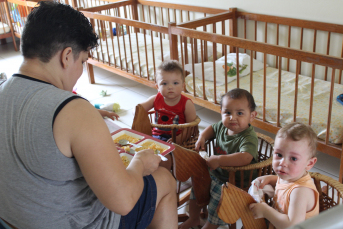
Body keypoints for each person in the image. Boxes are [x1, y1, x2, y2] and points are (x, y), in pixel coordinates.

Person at [0, 2, 177, 229]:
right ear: (66, 56)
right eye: (83, 61)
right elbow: (123, 201)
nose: (81, 71)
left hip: (13, 220)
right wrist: (140, 163)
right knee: (164, 180)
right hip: (77, 223)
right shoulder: (73, 109)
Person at [179, 88, 259, 229]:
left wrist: (220, 160)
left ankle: (211, 225)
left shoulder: (248, 137)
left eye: (239, 113)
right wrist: (202, 137)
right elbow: (212, 128)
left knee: (218, 203)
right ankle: (193, 218)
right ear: (221, 112)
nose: (232, 118)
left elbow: (245, 157)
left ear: (252, 116)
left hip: (234, 181)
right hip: (216, 172)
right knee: (196, 189)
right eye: (227, 112)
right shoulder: (223, 126)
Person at [249, 122, 319, 229]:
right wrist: (269, 179)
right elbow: (286, 184)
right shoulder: (290, 176)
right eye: (279, 155)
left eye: (293, 158)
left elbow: (291, 226)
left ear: (309, 163)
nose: (283, 163)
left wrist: (265, 211)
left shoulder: (301, 192)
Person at [139, 60, 197, 169]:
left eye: (175, 83)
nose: (170, 87)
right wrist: (137, 113)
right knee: (141, 152)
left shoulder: (186, 103)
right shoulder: (155, 98)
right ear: (157, 86)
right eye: (164, 83)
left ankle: (166, 173)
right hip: (156, 136)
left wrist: (179, 138)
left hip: (176, 139)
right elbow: (139, 109)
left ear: (183, 85)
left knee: (165, 158)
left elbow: (191, 127)